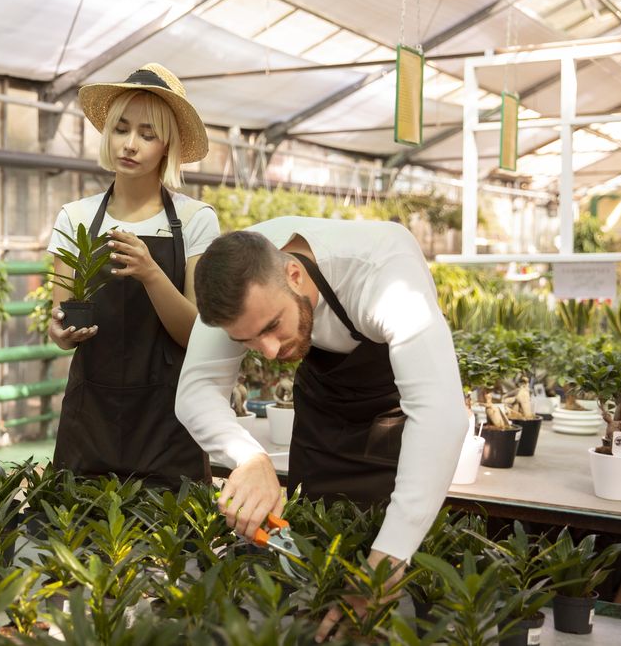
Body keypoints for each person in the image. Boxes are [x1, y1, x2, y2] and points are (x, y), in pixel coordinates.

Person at [175, 218, 467, 639]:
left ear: (294, 274)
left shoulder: (382, 273)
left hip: (394, 410)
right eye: (249, 342)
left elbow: (440, 415)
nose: (271, 352)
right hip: (324, 403)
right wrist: (249, 457)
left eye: (273, 326)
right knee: (319, 565)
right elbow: (196, 389)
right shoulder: (232, 280)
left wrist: (386, 564)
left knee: (396, 571)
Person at [47, 63, 220, 488]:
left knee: (172, 549)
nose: (130, 144)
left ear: (168, 146)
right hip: (92, 419)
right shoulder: (76, 217)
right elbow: (58, 318)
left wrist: (150, 273)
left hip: (169, 422)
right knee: (78, 544)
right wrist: (61, 333)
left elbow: (197, 334)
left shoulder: (197, 220)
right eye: (121, 129)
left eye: (147, 134)